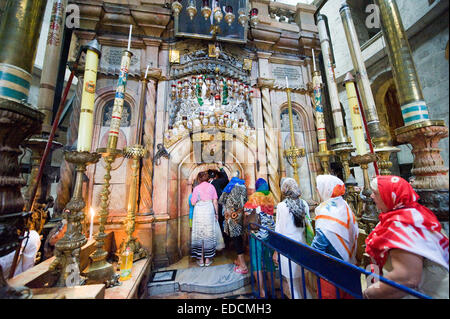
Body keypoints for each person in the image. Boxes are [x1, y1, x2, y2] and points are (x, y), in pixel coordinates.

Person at [363, 175, 449, 299]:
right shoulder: (412, 213)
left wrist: (369, 293)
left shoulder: (402, 225)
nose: (371, 196)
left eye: (375, 193)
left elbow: (406, 278)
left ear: (390, 196)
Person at [311, 174, 358, 299]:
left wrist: (309, 257)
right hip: (350, 265)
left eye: (318, 187)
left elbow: (318, 245)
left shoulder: (326, 211)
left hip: (331, 269)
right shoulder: (344, 205)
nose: (317, 190)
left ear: (326, 189)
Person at [272, 177, 311, 299]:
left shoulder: (282, 206)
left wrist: (275, 251)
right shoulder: (304, 203)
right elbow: (308, 225)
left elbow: (279, 230)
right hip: (302, 244)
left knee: (292, 284)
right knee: (303, 283)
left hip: (288, 246)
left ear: (284, 190)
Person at [244, 178, 276, 298]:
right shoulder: (271, 196)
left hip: (257, 234)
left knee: (256, 262)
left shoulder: (255, 197)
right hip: (269, 233)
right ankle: (272, 288)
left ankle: (262, 291)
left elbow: (247, 211)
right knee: (269, 262)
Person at [190, 171, 223, 267]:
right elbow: (215, 202)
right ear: (207, 178)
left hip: (199, 212)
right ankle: (207, 260)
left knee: (200, 234)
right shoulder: (211, 187)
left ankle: (200, 260)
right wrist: (216, 214)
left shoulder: (196, 188)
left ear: (199, 179)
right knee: (208, 234)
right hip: (209, 211)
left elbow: (192, 203)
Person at [219, 171, 248, 274]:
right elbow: (246, 200)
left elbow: (221, 200)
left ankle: (243, 266)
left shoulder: (230, 186)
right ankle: (239, 261)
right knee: (239, 238)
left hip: (232, 218)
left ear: (232, 177)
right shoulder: (244, 186)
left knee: (236, 240)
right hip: (240, 216)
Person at [211, 168, 229, 241]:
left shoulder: (206, 184)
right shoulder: (216, 182)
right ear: (215, 177)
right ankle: (224, 240)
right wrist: (222, 169)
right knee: (221, 223)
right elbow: (225, 179)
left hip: (207, 208)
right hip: (218, 205)